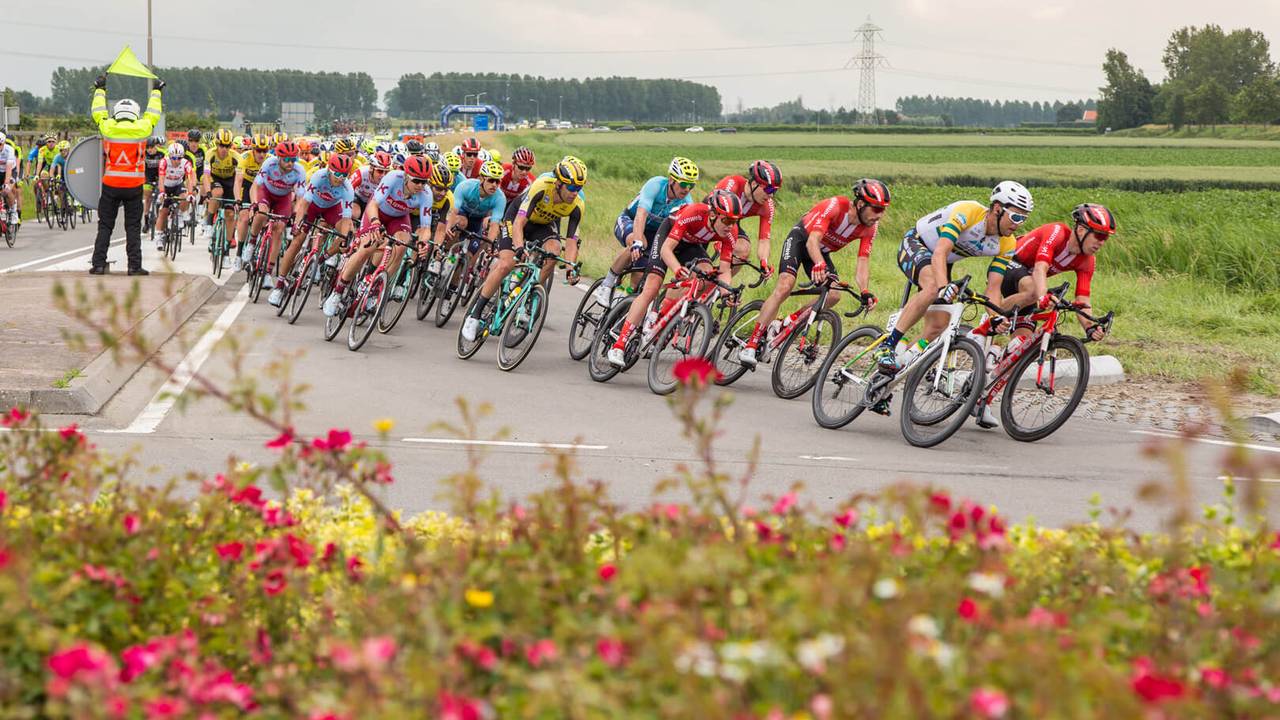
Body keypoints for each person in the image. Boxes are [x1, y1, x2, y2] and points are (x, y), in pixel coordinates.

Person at [873, 181, 1034, 410]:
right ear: (997, 209)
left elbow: (993, 289)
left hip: (942, 261)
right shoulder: (968, 212)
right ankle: (888, 345)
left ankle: (889, 377)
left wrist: (995, 316)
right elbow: (940, 252)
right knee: (931, 288)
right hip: (918, 244)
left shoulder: (1007, 243)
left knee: (938, 325)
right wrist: (943, 286)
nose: (1019, 224)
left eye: (1024, 219)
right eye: (1016, 217)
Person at [738, 179, 889, 368]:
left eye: (883, 210)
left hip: (821, 252)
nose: (880, 215)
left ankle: (785, 322)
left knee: (833, 295)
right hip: (801, 240)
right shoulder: (835, 206)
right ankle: (751, 344)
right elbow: (812, 241)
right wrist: (819, 264)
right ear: (860, 204)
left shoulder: (870, 228)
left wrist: (865, 290)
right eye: (876, 209)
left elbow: (863, 261)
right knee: (785, 286)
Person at [607, 190, 742, 368]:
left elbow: (725, 270)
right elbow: (666, 250)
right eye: (726, 220)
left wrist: (727, 292)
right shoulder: (693, 213)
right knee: (652, 288)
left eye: (734, 221)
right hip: (668, 238)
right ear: (712, 214)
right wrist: (677, 268)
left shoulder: (730, 232)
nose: (730, 225)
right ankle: (619, 345)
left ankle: (663, 319)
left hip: (691, 245)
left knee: (707, 274)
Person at [461, 158, 586, 343]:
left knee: (554, 252)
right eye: (571, 187)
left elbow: (571, 241)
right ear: (558, 183)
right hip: (518, 219)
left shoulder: (578, 205)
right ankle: (475, 315)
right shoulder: (542, 186)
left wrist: (571, 268)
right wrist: (519, 248)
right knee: (507, 264)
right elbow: (519, 223)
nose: (575, 193)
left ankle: (528, 296)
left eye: (579, 188)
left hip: (543, 225)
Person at [322, 156, 434, 318]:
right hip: (377, 213)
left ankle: (374, 290)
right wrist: (374, 223)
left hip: (399, 218)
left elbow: (425, 227)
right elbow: (373, 204)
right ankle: (338, 292)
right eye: (417, 181)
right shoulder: (393, 177)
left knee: (402, 245)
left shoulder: (426, 193)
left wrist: (424, 243)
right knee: (369, 246)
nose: (420, 186)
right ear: (407, 176)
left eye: (424, 182)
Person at [592, 157, 699, 306]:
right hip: (630, 220)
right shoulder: (655, 185)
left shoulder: (686, 202)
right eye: (683, 184)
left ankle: (622, 303)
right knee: (639, 244)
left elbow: (686, 227)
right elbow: (641, 215)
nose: (686, 189)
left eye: (691, 185)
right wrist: (636, 241)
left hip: (654, 233)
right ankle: (607, 284)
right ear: (671, 180)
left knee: (640, 274)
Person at [90, 74, 164, 275]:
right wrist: (156, 90)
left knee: (105, 225)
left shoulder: (108, 127)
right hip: (133, 187)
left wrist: (100, 88)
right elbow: (153, 113)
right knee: (132, 227)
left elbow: (98, 111)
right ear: (135, 113)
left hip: (110, 185)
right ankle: (134, 266)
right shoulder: (142, 128)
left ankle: (98, 264)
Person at [269, 154, 357, 307]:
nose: (340, 178)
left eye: (344, 175)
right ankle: (279, 285)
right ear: (330, 170)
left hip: (331, 209)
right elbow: (303, 204)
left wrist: (343, 239)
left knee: (345, 236)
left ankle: (322, 258)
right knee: (297, 242)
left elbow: (347, 220)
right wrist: (297, 224)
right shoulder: (319, 176)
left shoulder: (347, 188)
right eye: (337, 174)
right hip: (312, 207)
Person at [244, 140, 307, 289]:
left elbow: (301, 198)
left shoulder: (299, 171)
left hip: (283, 198)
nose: (290, 163)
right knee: (262, 213)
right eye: (286, 159)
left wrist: (296, 212)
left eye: (293, 159)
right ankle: (252, 243)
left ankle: (267, 272)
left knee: (279, 229)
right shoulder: (269, 164)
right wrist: (254, 203)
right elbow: (255, 186)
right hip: (265, 192)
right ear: (278, 157)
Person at [711, 160, 782, 278]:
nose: (771, 195)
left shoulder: (766, 206)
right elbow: (715, 211)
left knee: (743, 250)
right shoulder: (732, 183)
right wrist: (720, 241)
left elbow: (764, 240)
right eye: (769, 190)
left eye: (775, 191)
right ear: (754, 184)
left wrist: (763, 262)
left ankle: (717, 288)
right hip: (710, 218)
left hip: (730, 222)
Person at [153, 142, 195, 250]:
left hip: (177, 185)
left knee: (185, 197)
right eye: (174, 158)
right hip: (165, 186)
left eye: (179, 158)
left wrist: (190, 194)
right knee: (163, 211)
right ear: (170, 156)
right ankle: (159, 235)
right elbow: (161, 178)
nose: (176, 161)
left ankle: (180, 214)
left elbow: (189, 179)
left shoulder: (186, 163)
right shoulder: (164, 162)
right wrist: (162, 192)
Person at [201, 129, 239, 241]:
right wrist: (208, 192)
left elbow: (239, 179)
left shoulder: (235, 156)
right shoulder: (210, 154)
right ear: (217, 144)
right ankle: (209, 223)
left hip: (230, 180)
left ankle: (227, 246)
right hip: (215, 177)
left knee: (230, 214)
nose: (224, 149)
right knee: (217, 192)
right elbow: (206, 175)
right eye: (221, 146)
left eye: (227, 146)